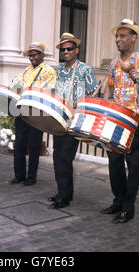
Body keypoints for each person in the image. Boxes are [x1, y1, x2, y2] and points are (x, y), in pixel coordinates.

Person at [102, 18, 139, 223]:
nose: (118, 39)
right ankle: (118, 201)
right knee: (114, 161)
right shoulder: (114, 63)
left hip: (138, 119)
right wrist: (106, 102)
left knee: (134, 165)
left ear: (133, 37)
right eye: (117, 36)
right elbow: (109, 85)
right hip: (117, 118)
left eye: (122, 35)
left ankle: (128, 208)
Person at [49, 33, 98, 209]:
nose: (66, 51)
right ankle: (63, 192)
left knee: (65, 157)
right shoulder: (59, 69)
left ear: (76, 50)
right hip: (59, 118)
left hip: (74, 118)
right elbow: (54, 90)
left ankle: (64, 197)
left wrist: (78, 102)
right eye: (63, 49)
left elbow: (93, 91)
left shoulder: (85, 69)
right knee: (57, 155)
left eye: (69, 48)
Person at [9, 42, 56, 186]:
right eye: (30, 55)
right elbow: (19, 87)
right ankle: (19, 175)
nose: (31, 58)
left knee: (34, 146)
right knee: (19, 145)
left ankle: (31, 177)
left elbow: (51, 92)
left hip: (37, 113)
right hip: (22, 112)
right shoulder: (26, 71)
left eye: (34, 55)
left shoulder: (49, 71)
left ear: (42, 55)